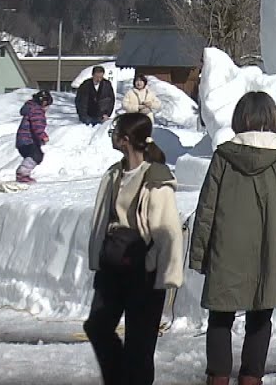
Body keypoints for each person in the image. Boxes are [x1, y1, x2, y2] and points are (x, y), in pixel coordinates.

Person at [188, 91, 276, 385]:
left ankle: (217, 377)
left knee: (220, 316)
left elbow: (207, 206)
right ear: (272, 118)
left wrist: (199, 253)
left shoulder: (224, 155)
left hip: (226, 249)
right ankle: (251, 378)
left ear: (240, 118)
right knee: (260, 316)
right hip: (274, 248)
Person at [83, 112, 185, 385]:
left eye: (115, 132)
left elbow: (169, 230)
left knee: (139, 344)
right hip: (112, 264)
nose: (113, 136)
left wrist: (167, 275)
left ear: (125, 140)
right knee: (97, 326)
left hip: (143, 269)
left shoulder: (156, 177)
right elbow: (101, 218)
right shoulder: (115, 173)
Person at [15, 90, 52, 184]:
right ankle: (22, 174)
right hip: (28, 140)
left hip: (23, 140)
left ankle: (24, 174)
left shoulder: (31, 108)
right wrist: (43, 136)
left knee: (34, 156)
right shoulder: (37, 111)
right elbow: (37, 126)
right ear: (44, 102)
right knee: (36, 155)